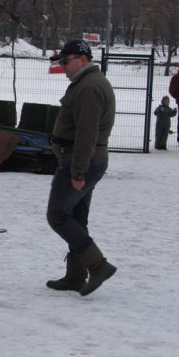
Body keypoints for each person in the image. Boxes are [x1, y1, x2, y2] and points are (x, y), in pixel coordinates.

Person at [45, 40, 117, 296]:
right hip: (84, 159)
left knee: (58, 215)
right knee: (76, 218)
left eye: (66, 61)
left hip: (81, 160)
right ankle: (75, 276)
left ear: (83, 59)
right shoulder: (87, 83)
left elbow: (86, 135)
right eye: (61, 61)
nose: (63, 66)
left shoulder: (89, 88)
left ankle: (98, 265)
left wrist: (77, 172)